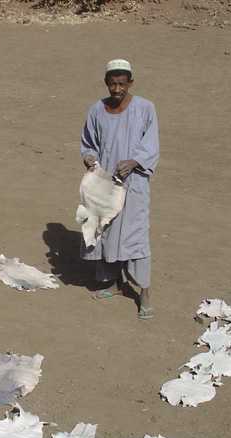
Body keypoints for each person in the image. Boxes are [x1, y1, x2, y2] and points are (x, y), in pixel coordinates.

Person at [80, 58, 160, 319]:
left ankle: (144, 293)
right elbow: (89, 143)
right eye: (112, 84)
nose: (116, 89)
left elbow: (151, 144)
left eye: (121, 84)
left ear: (130, 83)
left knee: (135, 237)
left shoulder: (145, 108)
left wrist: (135, 161)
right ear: (106, 83)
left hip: (134, 184)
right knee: (107, 231)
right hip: (105, 183)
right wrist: (89, 157)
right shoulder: (96, 110)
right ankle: (113, 283)